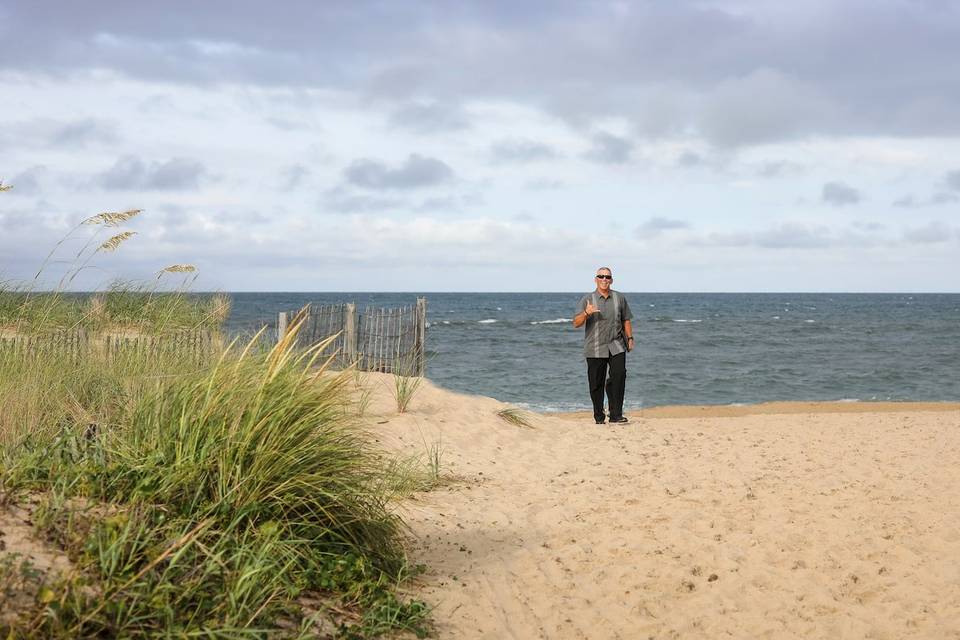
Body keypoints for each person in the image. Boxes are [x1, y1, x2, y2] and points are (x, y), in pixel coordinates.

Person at [572, 267, 634, 424]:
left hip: (617, 345)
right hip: (595, 347)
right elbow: (576, 323)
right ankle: (599, 416)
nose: (604, 279)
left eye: (607, 277)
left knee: (619, 377)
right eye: (601, 276)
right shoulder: (587, 299)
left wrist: (630, 337)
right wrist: (587, 313)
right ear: (596, 279)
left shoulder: (619, 298)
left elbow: (626, 319)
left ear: (611, 280)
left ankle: (616, 415)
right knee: (595, 384)